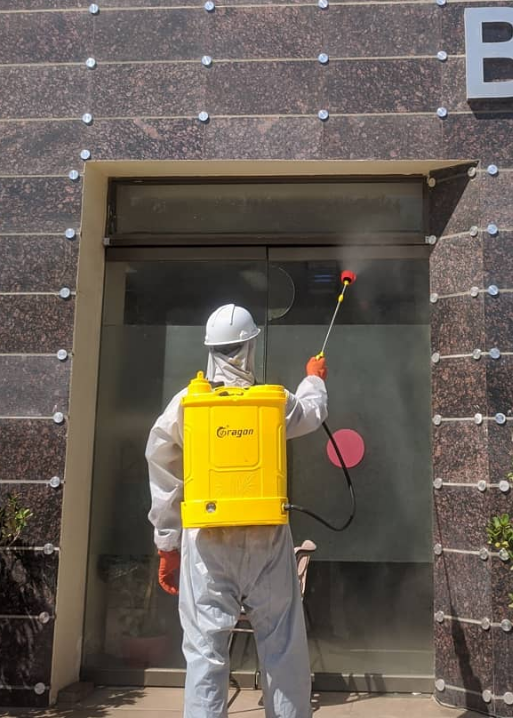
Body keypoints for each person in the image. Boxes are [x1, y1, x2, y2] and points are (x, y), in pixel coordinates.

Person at [146, 303, 328, 718]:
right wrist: (314, 379)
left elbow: (161, 466)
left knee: (205, 653)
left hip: (207, 540)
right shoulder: (272, 401)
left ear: (210, 348)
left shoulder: (187, 404)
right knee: (282, 649)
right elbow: (312, 413)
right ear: (251, 346)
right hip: (267, 536)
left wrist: (167, 543)